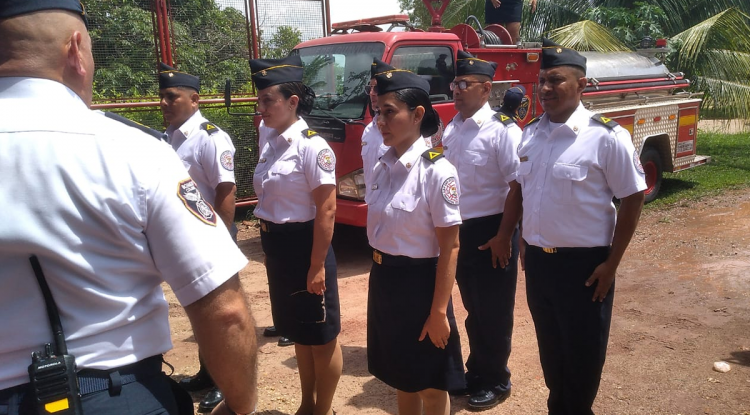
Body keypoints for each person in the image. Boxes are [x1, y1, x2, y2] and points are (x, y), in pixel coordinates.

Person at [0, 2, 258, 415]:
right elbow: (224, 311)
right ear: (76, 49)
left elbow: (225, 188)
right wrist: (241, 406)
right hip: (111, 394)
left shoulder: (188, 140)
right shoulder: (131, 149)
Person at [511, 39, 646, 415]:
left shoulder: (605, 136)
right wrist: (526, 242)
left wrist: (612, 264)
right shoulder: (531, 135)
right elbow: (525, 191)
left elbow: (633, 197)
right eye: (542, 81)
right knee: (552, 356)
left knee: (583, 360)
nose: (546, 89)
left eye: (556, 80)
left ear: (582, 85)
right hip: (539, 264)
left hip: (585, 268)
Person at [367, 67, 465, 415]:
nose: (381, 121)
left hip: (420, 288)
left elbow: (450, 246)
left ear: (418, 114)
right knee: (400, 377)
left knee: (430, 384)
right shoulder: (382, 167)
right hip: (384, 282)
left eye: (390, 112)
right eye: (379, 112)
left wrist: (439, 312)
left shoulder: (437, 171)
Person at [249, 55, 342, 415]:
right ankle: (307, 404)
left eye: (267, 101)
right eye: (259, 101)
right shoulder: (268, 138)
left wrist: (317, 264)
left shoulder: (312, 147)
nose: (261, 108)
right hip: (278, 248)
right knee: (299, 334)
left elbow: (327, 210)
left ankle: (324, 410)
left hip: (307, 248)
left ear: (292, 102)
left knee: (321, 335)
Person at [441, 50, 522, 410]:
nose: (456, 90)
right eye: (454, 84)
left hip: (493, 230)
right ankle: (476, 371)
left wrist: (505, 235)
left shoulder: (503, 131)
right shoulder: (453, 127)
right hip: (461, 230)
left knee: (493, 310)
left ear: (486, 89)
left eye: (463, 84)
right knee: (473, 307)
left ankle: (496, 379)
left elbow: (517, 187)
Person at [157, 62, 240, 412]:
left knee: (220, 314)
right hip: (185, 237)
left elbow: (226, 190)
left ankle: (225, 382)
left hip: (211, 234)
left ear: (195, 99)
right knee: (199, 311)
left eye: (171, 97)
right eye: (162, 96)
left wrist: (219, 240)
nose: (163, 103)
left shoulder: (210, 137)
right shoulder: (169, 138)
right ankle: (208, 374)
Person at [361, 58, 393, 194]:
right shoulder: (368, 131)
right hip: (372, 205)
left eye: (377, 88)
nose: (372, 93)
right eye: (370, 88)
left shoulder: (401, 130)